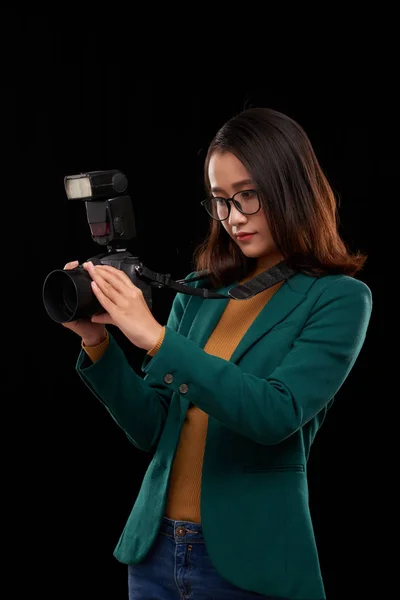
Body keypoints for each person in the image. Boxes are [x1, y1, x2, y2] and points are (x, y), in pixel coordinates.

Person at [61, 107, 372, 600]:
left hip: (251, 563)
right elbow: (152, 430)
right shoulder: (199, 291)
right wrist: (97, 342)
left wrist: (160, 340)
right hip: (155, 554)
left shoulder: (338, 298)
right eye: (220, 201)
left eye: (248, 195)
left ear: (291, 188)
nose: (234, 218)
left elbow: (275, 413)